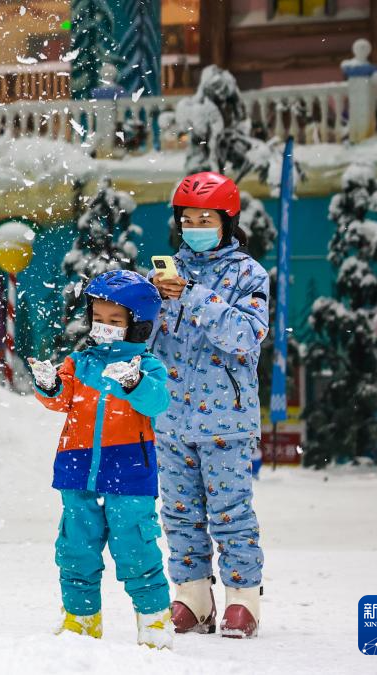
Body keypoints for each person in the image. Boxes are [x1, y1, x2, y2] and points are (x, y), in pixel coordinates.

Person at [149, 171, 269, 639]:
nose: (195, 224)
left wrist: (195, 296)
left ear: (226, 220)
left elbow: (245, 336)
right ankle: (192, 597)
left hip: (227, 419)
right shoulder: (162, 276)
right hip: (171, 418)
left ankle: (244, 600)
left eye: (206, 217)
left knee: (230, 511)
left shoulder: (248, 274)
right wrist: (149, 303)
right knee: (178, 511)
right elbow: (142, 341)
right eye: (187, 217)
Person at [29, 270, 174, 649]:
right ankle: (81, 619)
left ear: (136, 325)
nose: (104, 327)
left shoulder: (147, 365)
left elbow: (158, 402)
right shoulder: (79, 362)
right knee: (76, 546)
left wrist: (134, 384)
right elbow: (61, 401)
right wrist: (49, 384)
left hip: (129, 470)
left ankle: (155, 622)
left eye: (115, 320)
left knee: (135, 545)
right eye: (99, 318)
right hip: (78, 468)